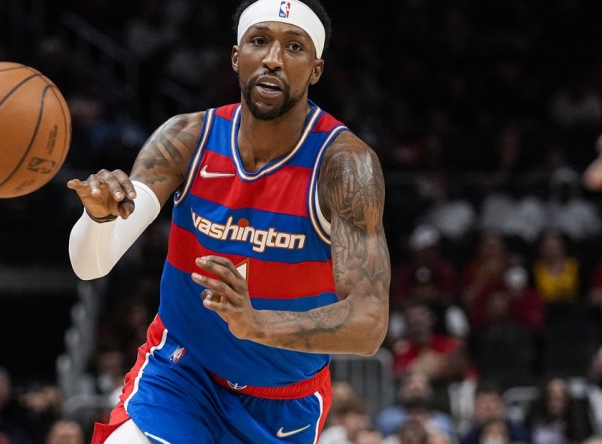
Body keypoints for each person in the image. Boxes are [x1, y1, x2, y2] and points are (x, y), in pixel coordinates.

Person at [67, 0, 391, 442]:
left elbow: (369, 323)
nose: (273, 59)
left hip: (282, 401)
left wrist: (256, 324)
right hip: (182, 375)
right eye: (259, 42)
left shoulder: (345, 166)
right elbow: (91, 265)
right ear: (237, 57)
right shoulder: (186, 139)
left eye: (294, 47)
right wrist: (98, 219)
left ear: (315, 69)